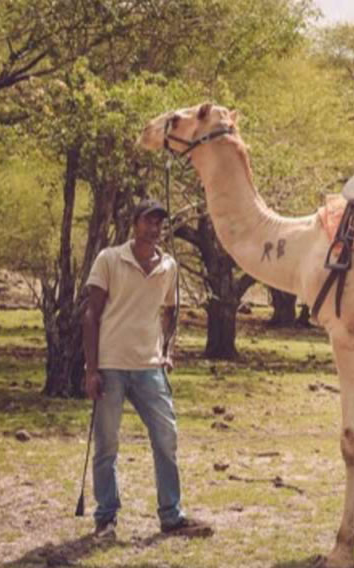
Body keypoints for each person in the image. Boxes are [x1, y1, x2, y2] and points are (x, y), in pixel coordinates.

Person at [82, 199, 212, 540]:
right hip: (111, 364)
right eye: (147, 222)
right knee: (106, 445)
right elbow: (91, 315)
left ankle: (171, 515)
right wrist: (91, 369)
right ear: (134, 223)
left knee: (166, 438)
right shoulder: (110, 258)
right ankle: (106, 518)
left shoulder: (169, 266)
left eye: (158, 223)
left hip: (150, 367)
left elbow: (170, 312)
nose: (153, 228)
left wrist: (167, 349)